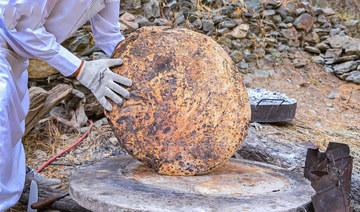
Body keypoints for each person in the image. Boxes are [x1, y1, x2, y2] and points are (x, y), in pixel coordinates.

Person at [0, 0, 132, 210]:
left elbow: (108, 35)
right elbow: (22, 28)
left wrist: (140, 66)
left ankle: (16, 179)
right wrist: (81, 70)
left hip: (16, 54)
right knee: (1, 111)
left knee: (13, 125)